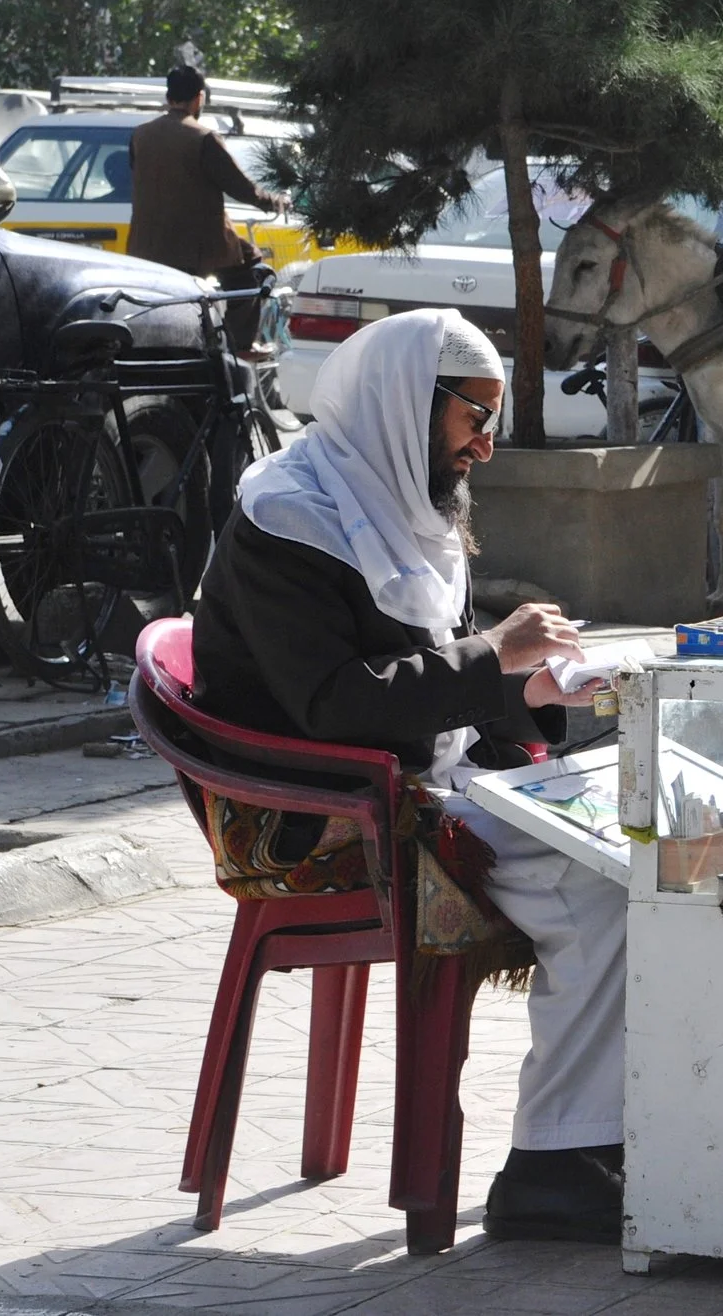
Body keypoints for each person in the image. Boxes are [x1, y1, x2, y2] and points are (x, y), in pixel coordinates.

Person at [191, 308, 630, 1243]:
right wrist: (492, 656)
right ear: (407, 405)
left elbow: (431, 683)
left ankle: (607, 1135)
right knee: (605, 883)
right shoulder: (288, 521)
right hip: (330, 817)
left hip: (414, 785)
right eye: (474, 418)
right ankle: (554, 1167)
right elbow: (335, 703)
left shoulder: (397, 502)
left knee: (646, 841)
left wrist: (530, 689)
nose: (486, 446)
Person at [128, 65, 291, 356]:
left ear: (168, 96)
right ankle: (239, 346)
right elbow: (243, 189)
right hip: (196, 245)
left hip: (145, 244)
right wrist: (275, 202)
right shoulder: (203, 137)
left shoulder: (140, 134)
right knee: (252, 269)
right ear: (199, 98)